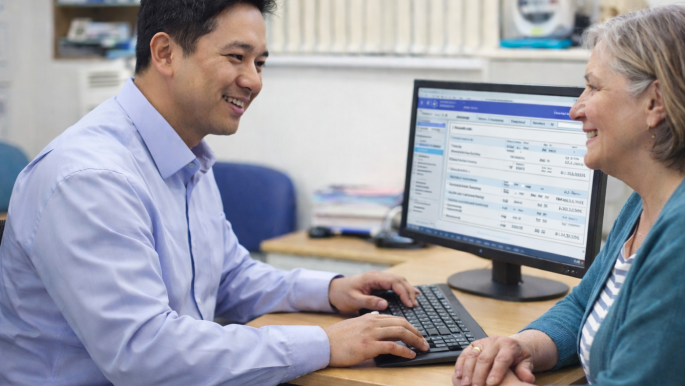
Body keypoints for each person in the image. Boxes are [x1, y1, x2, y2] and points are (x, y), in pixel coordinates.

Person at [0, 1, 430, 385]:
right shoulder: (89, 178)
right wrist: (323, 343)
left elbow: (229, 277)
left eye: (260, 62)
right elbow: (144, 354)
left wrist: (332, 289)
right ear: (165, 53)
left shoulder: (187, 155)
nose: (254, 81)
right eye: (236, 57)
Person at [452, 5, 685, 386]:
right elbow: (583, 305)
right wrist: (522, 346)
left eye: (593, 86)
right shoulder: (651, 198)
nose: (576, 109)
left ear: (655, 103)